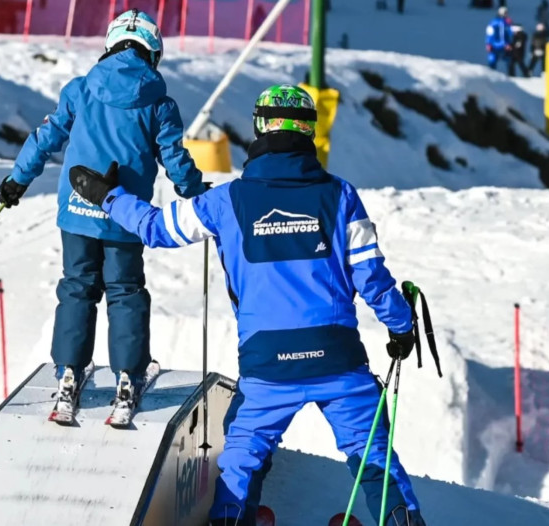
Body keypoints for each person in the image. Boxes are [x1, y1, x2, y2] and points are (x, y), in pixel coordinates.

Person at [69, 84, 427, 526]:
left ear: (259, 127)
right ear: (309, 131)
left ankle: (235, 518)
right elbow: (371, 276)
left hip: (268, 366)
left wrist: (108, 196)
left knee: (242, 461)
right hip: (338, 361)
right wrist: (401, 325)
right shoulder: (341, 195)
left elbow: (157, 229)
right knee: (373, 458)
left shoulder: (226, 201)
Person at [0, 9, 205, 412]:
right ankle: (128, 378)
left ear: (110, 46)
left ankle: (69, 376)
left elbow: (45, 138)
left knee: (77, 286)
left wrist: (17, 181)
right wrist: (194, 193)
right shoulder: (159, 103)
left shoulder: (79, 89)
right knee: (125, 291)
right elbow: (175, 159)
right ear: (153, 52)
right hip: (125, 215)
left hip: (76, 210)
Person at [486, 6, 513, 72]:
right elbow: (490, 33)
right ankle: (491, 74)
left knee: (509, 60)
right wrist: (488, 43)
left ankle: (511, 75)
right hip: (494, 44)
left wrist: (509, 43)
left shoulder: (507, 23)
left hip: (504, 45)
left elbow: (509, 33)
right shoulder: (494, 22)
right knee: (492, 60)